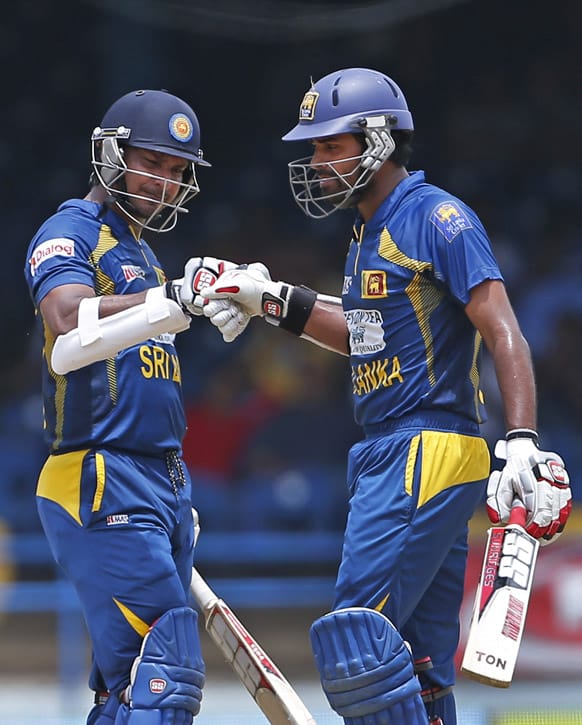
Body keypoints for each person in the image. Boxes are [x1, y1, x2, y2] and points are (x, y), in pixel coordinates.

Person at [198, 68, 573, 725]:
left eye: (327, 146)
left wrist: (522, 442)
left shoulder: (438, 217)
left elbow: (502, 325)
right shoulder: (369, 234)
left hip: (424, 446)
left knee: (357, 639)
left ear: (377, 140)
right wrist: (270, 298)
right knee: (421, 664)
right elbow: (362, 333)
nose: (314, 162)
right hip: (396, 450)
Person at [23, 88, 249, 724]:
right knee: (165, 674)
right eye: (153, 163)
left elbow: (150, 384)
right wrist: (175, 301)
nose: (166, 182)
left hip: (155, 483)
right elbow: (66, 324)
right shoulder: (70, 230)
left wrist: (175, 492)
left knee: (129, 691)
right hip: (97, 477)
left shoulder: (143, 255)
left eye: (178, 172)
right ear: (111, 155)